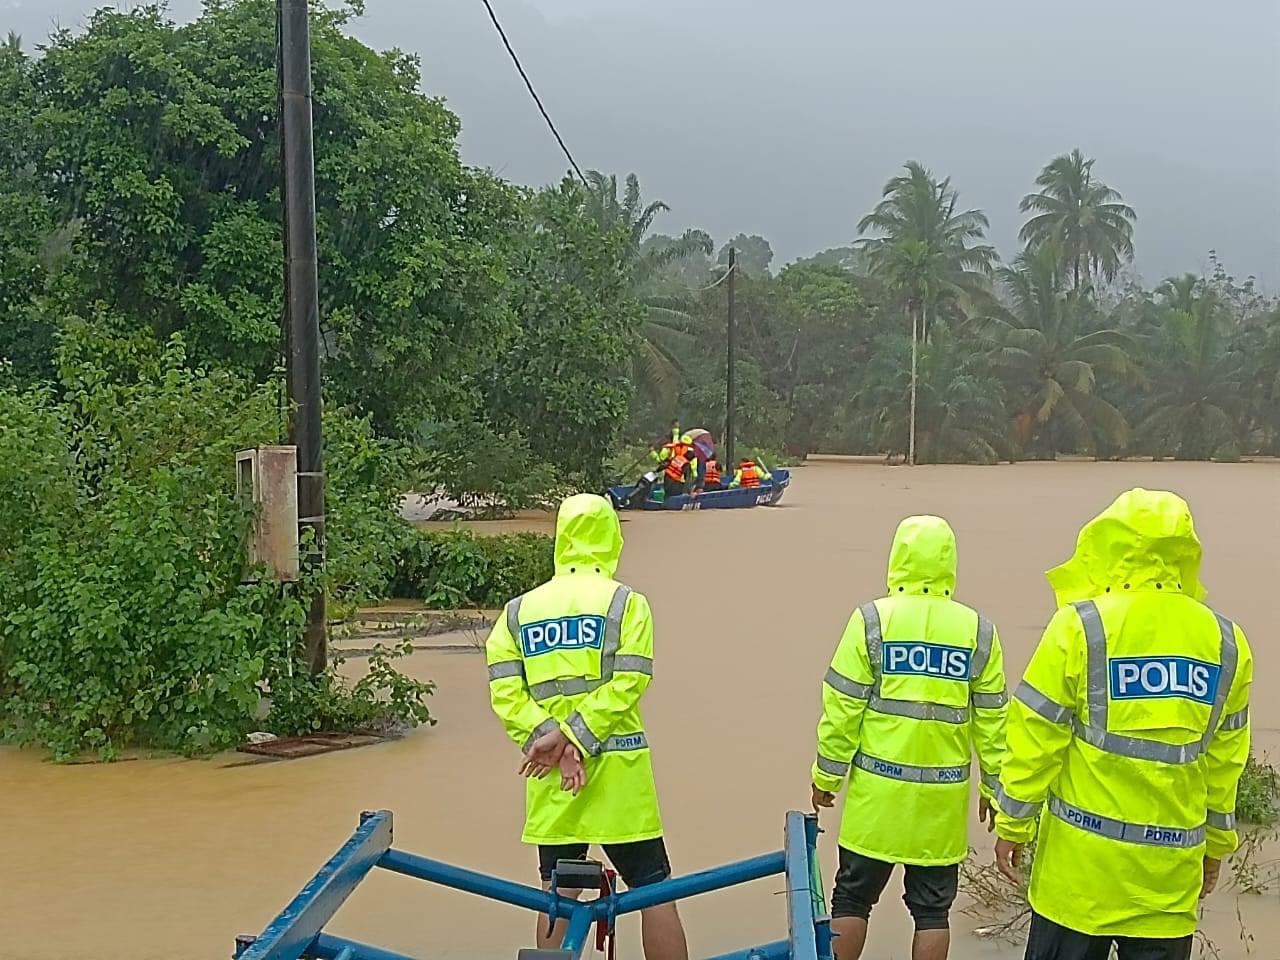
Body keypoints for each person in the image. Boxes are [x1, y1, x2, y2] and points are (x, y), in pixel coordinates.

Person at [993, 489, 1253, 960]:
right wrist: (1215, 847)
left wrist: (1013, 824)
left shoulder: (1080, 627)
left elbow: (1034, 737)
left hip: (1078, 881)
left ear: (1108, 545)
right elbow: (1224, 765)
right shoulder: (1227, 643)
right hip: (1166, 885)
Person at [485, 494, 688, 960]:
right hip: (619, 772)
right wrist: (577, 736)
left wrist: (550, 740)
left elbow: (505, 693)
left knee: (555, 895)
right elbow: (631, 679)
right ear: (611, 538)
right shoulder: (626, 603)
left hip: (552, 775)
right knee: (653, 889)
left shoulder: (519, 611)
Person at [811, 516, 1007, 960]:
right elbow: (994, 722)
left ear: (897, 559)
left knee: (851, 900)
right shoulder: (978, 631)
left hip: (875, 803)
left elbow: (842, 707)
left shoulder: (871, 620)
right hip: (939, 807)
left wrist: (827, 774)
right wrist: (995, 787)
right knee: (933, 913)